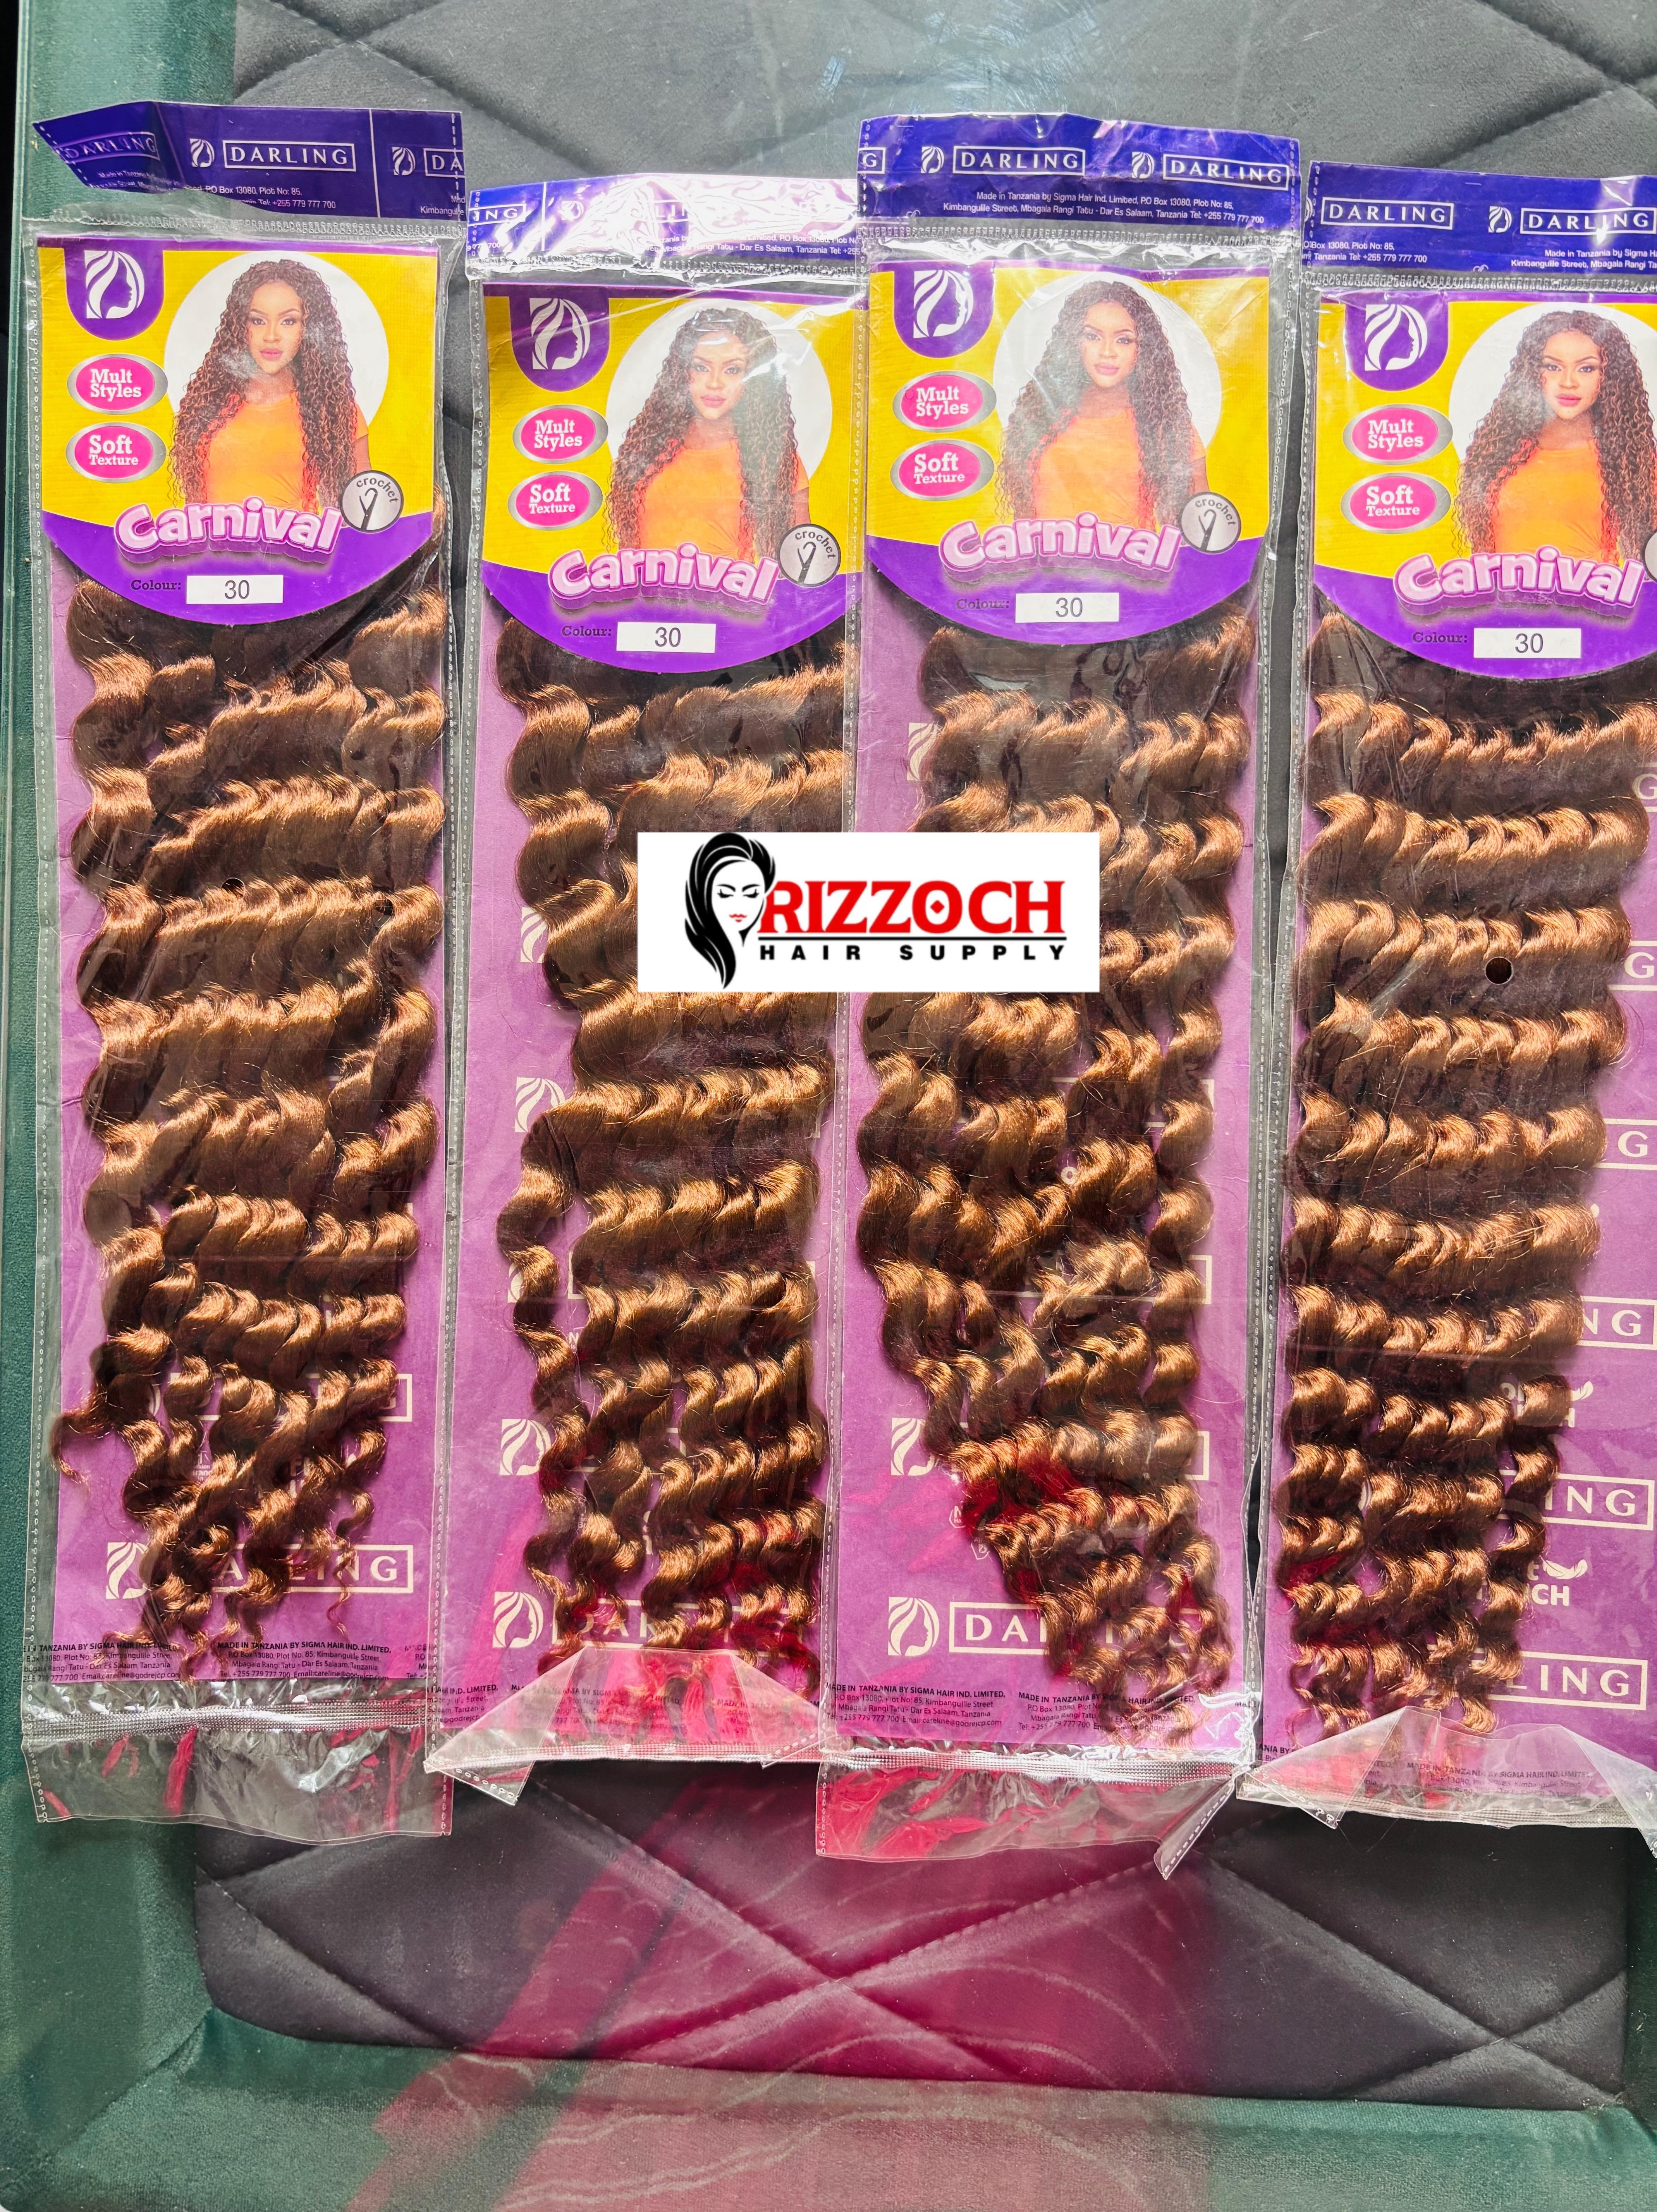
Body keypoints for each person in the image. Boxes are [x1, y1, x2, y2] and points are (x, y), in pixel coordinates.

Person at [608, 306, 809, 560]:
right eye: (701, 368)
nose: (715, 383)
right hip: (647, 586)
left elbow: (803, 563)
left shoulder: (773, 458)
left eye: (732, 370)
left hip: (735, 587)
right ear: (683, 372)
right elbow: (628, 553)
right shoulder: (647, 451)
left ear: (753, 380)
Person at [1455, 309, 1657, 562]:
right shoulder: (1497, 451)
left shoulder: (1632, 459)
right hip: (1505, 587)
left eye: (1586, 369)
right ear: (1532, 371)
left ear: (1609, 377)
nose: (1568, 382)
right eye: (1553, 367)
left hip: (1594, 587)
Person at [1000, 280, 1207, 526]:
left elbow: (1201, 531)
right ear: (1073, 341)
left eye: (1124, 340)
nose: (1107, 352)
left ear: (1143, 349)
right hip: (1047, 552)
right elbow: (1022, 526)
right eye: (1093, 336)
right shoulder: (1039, 418)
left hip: (1136, 552)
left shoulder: (1169, 428)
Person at [171, 258, 368, 513]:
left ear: (309, 328)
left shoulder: (335, 410)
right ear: (240, 326)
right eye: (258, 321)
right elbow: (193, 507)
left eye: (288, 321)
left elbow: (363, 514)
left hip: (299, 539)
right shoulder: (206, 403)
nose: (271, 336)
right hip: (214, 538)